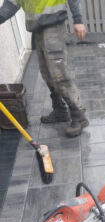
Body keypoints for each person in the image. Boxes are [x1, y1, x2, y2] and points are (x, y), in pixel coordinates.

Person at [0, 0, 89, 137]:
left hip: (53, 27)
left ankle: (79, 116)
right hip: (37, 28)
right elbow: (11, 4)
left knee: (59, 76)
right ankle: (60, 110)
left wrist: (78, 19)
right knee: (47, 74)